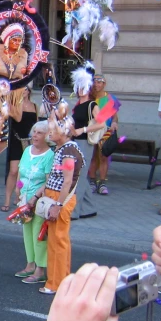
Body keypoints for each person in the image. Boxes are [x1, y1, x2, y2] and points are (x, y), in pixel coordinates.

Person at [28, 115, 84, 294]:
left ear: (65, 131)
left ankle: (56, 283)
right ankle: (59, 280)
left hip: (60, 199)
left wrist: (58, 205)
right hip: (54, 197)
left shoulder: (68, 150)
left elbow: (67, 181)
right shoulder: (63, 148)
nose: (49, 133)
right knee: (56, 240)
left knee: (57, 242)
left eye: (53, 130)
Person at [14, 121, 54, 284]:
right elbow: (20, 173)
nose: (34, 136)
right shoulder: (27, 151)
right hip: (25, 198)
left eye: (39, 133)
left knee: (39, 234)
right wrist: (18, 189)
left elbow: (48, 181)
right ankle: (30, 264)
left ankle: (40, 269)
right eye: (34, 132)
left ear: (47, 136)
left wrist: (35, 197)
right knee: (27, 232)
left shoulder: (50, 155)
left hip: (38, 201)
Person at [68, 62, 104, 219]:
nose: (80, 89)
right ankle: (88, 208)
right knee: (79, 175)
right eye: (78, 86)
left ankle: (74, 211)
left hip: (85, 143)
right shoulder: (77, 106)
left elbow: (101, 123)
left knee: (79, 177)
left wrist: (81, 130)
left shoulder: (92, 104)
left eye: (83, 86)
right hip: (76, 142)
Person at [3, 85, 38, 211]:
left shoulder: (34, 106)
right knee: (13, 171)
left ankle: (18, 196)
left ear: (29, 91)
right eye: (20, 90)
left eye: (25, 89)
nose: (23, 92)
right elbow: (17, 118)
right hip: (16, 140)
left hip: (30, 142)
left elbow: (36, 123)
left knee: (24, 172)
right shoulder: (15, 104)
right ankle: (7, 199)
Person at [87, 74, 118, 195]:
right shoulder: (89, 99)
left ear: (104, 84)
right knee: (94, 156)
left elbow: (115, 116)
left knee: (104, 156)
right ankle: (92, 181)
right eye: (95, 82)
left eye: (99, 82)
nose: (96, 85)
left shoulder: (110, 98)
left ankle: (102, 182)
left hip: (106, 130)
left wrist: (115, 122)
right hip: (93, 130)